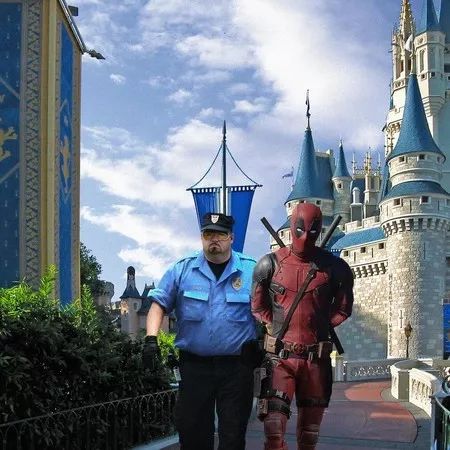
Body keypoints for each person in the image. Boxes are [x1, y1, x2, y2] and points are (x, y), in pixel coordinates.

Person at [143, 212, 256, 450]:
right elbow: (158, 304)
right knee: (193, 433)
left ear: (231, 237)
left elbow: (272, 311)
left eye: (221, 234)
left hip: (236, 368)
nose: (214, 239)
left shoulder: (251, 271)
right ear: (201, 237)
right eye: (208, 234)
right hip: (195, 367)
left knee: (233, 435)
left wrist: (266, 343)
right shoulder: (182, 270)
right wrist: (151, 339)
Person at [251, 202, 354, 450]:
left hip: (315, 360)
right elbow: (258, 307)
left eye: (312, 231)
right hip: (279, 359)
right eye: (300, 230)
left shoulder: (336, 268)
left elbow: (343, 309)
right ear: (291, 227)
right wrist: (274, 327)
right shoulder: (268, 265)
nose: (306, 237)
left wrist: (319, 323)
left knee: (309, 435)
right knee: (273, 430)